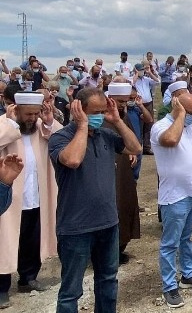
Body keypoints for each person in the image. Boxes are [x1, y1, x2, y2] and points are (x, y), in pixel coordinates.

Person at [48, 87, 142, 312]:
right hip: (76, 227)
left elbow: (136, 147)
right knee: (71, 292)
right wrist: (81, 126)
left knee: (108, 281)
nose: (99, 116)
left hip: (108, 224)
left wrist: (117, 121)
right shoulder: (60, 138)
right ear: (78, 109)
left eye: (102, 111)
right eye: (94, 112)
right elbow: (72, 160)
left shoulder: (106, 135)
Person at [151, 85, 192, 309]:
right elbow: (170, 140)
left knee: (187, 238)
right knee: (170, 243)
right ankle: (170, 286)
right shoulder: (161, 127)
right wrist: (180, 115)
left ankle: (188, 274)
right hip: (174, 196)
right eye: (190, 112)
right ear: (177, 105)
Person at [0, 92, 61, 309]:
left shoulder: (39, 127)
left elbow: (61, 137)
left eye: (35, 113)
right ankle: (1, 288)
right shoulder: (4, 126)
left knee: (32, 239)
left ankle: (28, 277)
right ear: (16, 110)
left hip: (34, 195)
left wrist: (49, 121)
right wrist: (9, 125)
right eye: (28, 114)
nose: (31, 118)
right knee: (5, 241)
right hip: (8, 197)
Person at [104, 83, 142, 265]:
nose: (122, 105)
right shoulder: (99, 115)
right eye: (120, 101)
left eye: (125, 102)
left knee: (126, 202)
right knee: (114, 204)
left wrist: (132, 152)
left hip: (124, 167)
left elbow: (131, 139)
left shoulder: (122, 116)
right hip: (107, 169)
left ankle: (120, 246)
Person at [133, 63, 159, 155]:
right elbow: (132, 83)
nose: (142, 71)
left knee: (149, 126)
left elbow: (157, 81)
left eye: (143, 70)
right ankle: (138, 146)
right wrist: (136, 74)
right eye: (140, 70)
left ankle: (147, 147)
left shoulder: (146, 79)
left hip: (149, 104)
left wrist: (150, 72)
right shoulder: (132, 79)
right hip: (139, 105)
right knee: (140, 125)